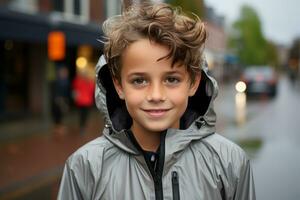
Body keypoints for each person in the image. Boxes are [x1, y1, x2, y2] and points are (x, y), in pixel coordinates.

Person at [58, 3, 255, 199]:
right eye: (139, 80)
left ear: (193, 82)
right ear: (119, 86)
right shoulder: (85, 168)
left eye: (171, 79)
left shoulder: (229, 163)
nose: (156, 95)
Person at [72, 68, 95, 135]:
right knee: (83, 115)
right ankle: (82, 126)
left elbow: (92, 90)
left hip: (86, 101)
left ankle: (82, 126)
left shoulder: (87, 81)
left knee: (83, 115)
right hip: (82, 102)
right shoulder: (78, 80)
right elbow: (75, 90)